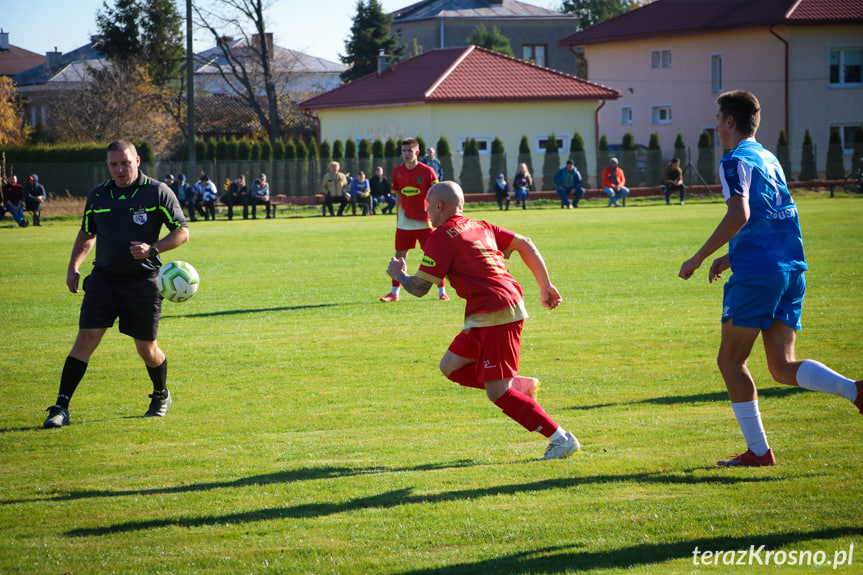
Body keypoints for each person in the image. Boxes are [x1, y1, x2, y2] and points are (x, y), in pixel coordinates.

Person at [679, 90, 862, 467]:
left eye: (718, 119)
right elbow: (772, 215)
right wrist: (731, 257)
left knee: (730, 362)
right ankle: (855, 391)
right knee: (780, 366)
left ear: (730, 121)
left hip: (760, 274)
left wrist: (699, 257)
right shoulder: (768, 158)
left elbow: (740, 214)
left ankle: (759, 453)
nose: (715, 126)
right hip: (791, 269)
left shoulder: (733, 161)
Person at [387, 181, 580, 460]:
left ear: (439, 206)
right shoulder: (481, 225)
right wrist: (545, 286)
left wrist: (399, 274)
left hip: (495, 312)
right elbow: (525, 243)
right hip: (489, 310)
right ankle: (516, 386)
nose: (426, 209)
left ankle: (561, 439)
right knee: (450, 367)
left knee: (497, 393)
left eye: (428, 204)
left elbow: (419, 288)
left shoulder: (440, 237)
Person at [42, 140, 190, 429]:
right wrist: (73, 267)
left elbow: (182, 231)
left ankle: (161, 395)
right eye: (113, 164)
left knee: (147, 349)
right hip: (104, 281)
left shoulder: (157, 192)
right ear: (108, 165)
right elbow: (87, 232)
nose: (120, 169)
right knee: (85, 340)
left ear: (137, 161)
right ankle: (60, 406)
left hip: (143, 283)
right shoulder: (99, 195)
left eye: (125, 163)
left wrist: (152, 249)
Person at [380, 138, 448, 302]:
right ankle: (394, 293)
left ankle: (442, 292)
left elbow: (436, 194)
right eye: (404, 151)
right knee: (399, 257)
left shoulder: (427, 171)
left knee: (434, 256)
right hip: (404, 223)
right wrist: (398, 219)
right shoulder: (397, 172)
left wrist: (437, 215)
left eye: (410, 150)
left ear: (417, 152)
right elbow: (398, 197)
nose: (406, 154)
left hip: (425, 222)